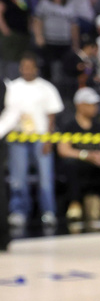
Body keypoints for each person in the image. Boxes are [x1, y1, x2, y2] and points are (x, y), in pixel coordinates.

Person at [4, 55, 63, 229]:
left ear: (36, 68)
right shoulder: (12, 87)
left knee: (45, 178)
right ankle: (19, 212)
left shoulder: (46, 88)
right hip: (18, 137)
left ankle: (48, 212)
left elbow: (51, 116)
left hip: (40, 137)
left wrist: (49, 140)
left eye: (30, 66)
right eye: (24, 66)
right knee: (18, 178)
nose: (27, 70)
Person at [57, 87, 100, 221]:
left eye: (95, 104)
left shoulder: (99, 126)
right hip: (80, 163)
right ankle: (75, 204)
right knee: (70, 164)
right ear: (80, 105)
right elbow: (63, 150)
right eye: (91, 104)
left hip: (97, 163)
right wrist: (86, 155)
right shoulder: (70, 126)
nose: (95, 108)